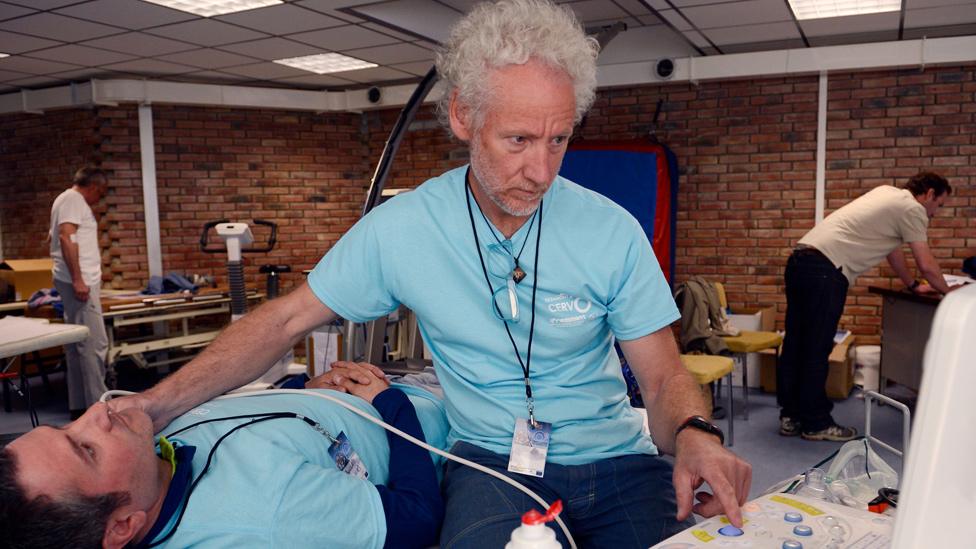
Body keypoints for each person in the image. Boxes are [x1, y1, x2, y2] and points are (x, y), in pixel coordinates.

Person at [111, 0, 750, 546]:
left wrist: (695, 435)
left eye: (559, 140)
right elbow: (282, 319)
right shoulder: (404, 228)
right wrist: (152, 405)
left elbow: (664, 375)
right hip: (489, 463)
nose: (542, 171)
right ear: (463, 119)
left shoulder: (612, 230)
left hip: (616, 460)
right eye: (519, 140)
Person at [0, 363, 446, 549]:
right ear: (121, 526)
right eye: (85, 448)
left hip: (362, 389)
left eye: (63, 426)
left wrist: (302, 390)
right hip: (434, 414)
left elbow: (241, 421)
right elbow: (418, 517)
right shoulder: (267, 514)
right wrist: (391, 405)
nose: (96, 413)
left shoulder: (149, 455)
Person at [778, 172, 957, 441]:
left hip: (801, 263)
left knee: (796, 344)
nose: (935, 213)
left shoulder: (886, 194)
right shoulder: (913, 208)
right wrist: (950, 292)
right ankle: (815, 423)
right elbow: (927, 265)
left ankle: (791, 416)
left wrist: (912, 285)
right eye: (939, 204)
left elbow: (892, 252)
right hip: (826, 271)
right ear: (930, 194)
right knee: (816, 347)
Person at [50, 166, 110, 414]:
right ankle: (98, 409)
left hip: (75, 279)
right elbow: (66, 237)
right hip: (78, 282)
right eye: (102, 192)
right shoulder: (73, 199)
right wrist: (78, 279)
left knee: (77, 345)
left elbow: (56, 237)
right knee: (94, 345)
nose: (100, 198)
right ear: (94, 186)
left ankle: (80, 406)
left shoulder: (64, 200)